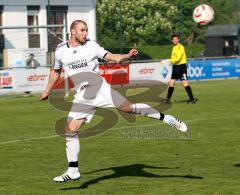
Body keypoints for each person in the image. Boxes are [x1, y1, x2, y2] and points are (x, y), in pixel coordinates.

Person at [41, 20, 188, 182]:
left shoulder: (92, 46)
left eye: (87, 30)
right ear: (72, 32)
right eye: (82, 30)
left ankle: (168, 119)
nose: (85, 33)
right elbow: (55, 71)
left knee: (128, 108)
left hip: (98, 87)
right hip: (82, 95)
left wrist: (126, 55)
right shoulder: (61, 50)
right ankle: (73, 170)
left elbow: (112, 57)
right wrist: (48, 89)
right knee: (70, 130)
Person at [163, 34, 197, 104]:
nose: (175, 40)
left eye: (176, 39)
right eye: (173, 39)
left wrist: (168, 61)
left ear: (178, 40)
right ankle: (167, 100)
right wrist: (170, 62)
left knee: (185, 83)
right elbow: (174, 58)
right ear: (172, 40)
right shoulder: (174, 47)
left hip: (181, 67)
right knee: (171, 83)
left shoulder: (180, 47)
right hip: (175, 67)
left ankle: (192, 99)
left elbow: (178, 58)